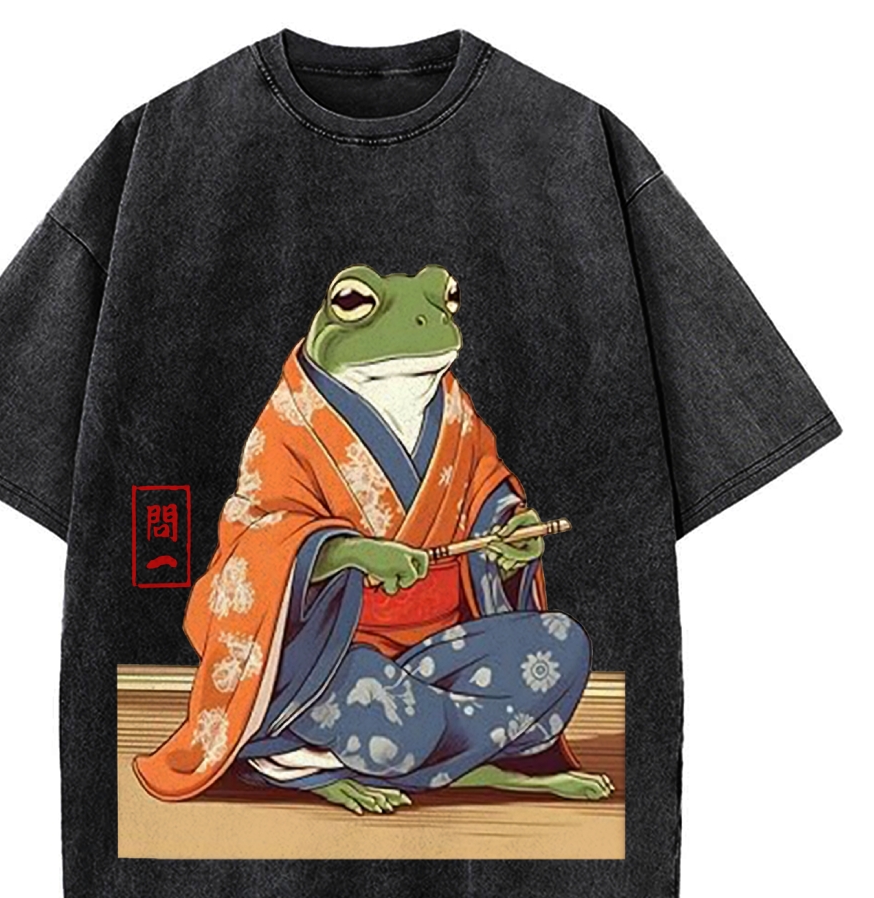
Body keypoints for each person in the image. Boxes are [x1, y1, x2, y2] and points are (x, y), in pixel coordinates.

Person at [132, 264, 614, 812]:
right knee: (395, 715)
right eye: (357, 302)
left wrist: (511, 535)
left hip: (437, 650)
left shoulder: (454, 414)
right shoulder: (290, 424)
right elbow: (257, 542)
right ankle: (353, 760)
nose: (426, 319)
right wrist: (350, 551)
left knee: (563, 646)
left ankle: (419, 757)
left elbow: (486, 493)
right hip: (328, 661)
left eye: (445, 300)